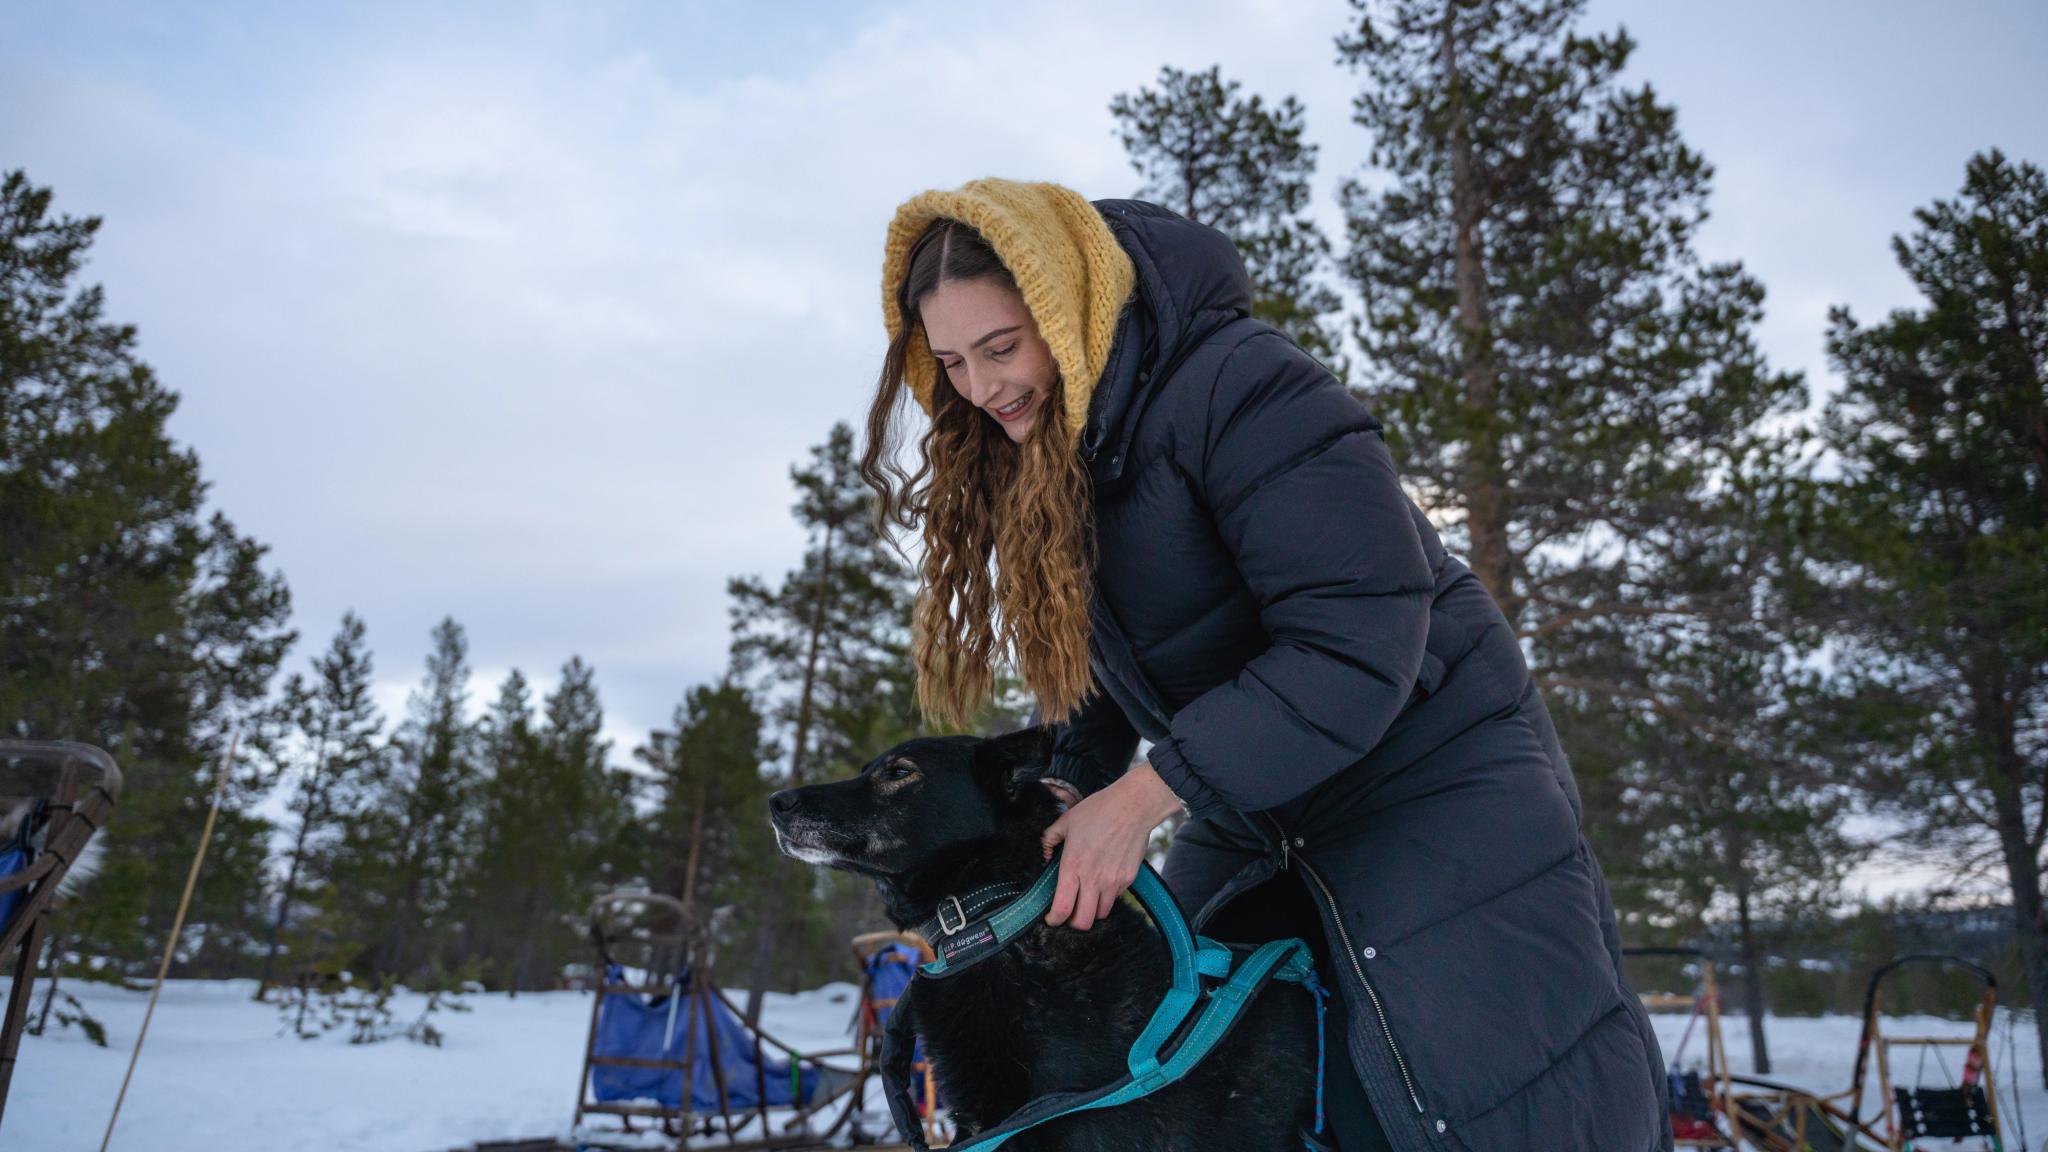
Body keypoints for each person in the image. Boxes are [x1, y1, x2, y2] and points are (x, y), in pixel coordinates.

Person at [860, 177, 1671, 1152]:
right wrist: (1063, 799)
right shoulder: (1063, 456)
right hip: (1257, 796)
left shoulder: (1244, 387)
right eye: (950, 362)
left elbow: (1357, 638)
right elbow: (1102, 683)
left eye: (1001, 347)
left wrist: (1145, 796)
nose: (983, 389)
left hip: (1425, 776)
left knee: (1449, 1095)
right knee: (1184, 1058)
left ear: (1066, 307)